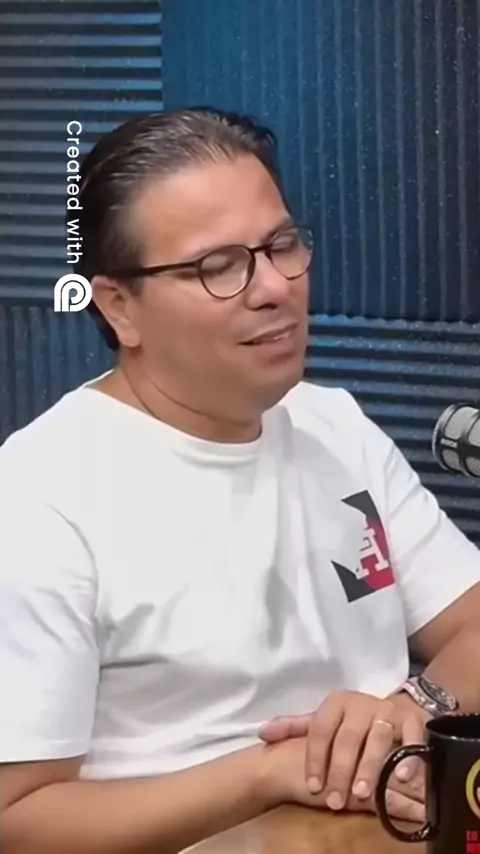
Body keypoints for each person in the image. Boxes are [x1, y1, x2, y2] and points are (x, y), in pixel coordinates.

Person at [1, 107, 480, 854]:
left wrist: (413, 705)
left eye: (282, 246)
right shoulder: (40, 495)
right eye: (218, 267)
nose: (274, 287)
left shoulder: (335, 425)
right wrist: (272, 773)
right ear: (119, 306)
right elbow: (16, 818)